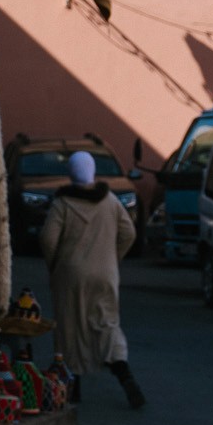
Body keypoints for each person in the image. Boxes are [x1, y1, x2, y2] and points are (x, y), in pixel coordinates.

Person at [41, 148, 142, 408]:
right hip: (104, 274)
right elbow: (128, 232)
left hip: (70, 275)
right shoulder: (109, 200)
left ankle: (72, 385)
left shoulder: (62, 204)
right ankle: (123, 370)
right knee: (107, 323)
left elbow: (48, 239)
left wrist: (56, 264)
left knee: (69, 327)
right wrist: (112, 258)